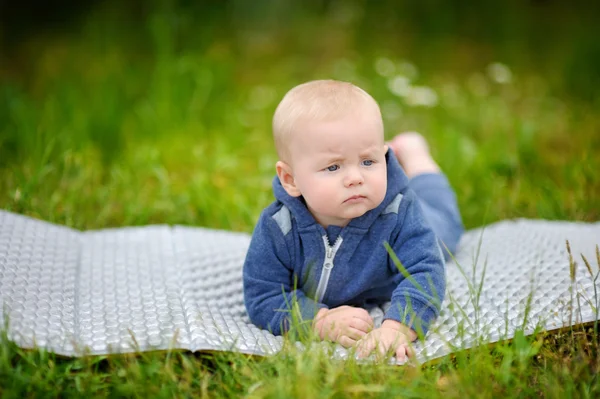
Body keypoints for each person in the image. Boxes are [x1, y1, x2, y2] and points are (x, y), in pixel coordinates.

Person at [243, 80, 463, 361]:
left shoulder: (399, 211)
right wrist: (317, 320)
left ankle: (416, 157)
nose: (356, 177)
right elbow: (263, 295)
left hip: (422, 214)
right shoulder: (279, 227)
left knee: (446, 230)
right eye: (333, 166)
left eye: (368, 161)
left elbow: (424, 272)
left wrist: (399, 326)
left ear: (384, 156)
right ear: (291, 179)